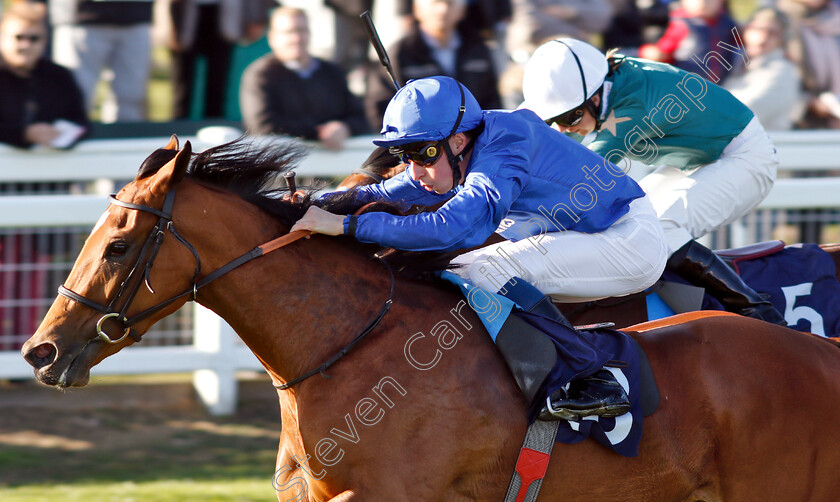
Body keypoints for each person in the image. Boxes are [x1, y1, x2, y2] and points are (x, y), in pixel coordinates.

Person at [291, 75, 668, 420]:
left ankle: (590, 378)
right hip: (592, 232)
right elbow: (388, 190)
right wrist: (320, 201)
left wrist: (347, 225)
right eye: (405, 156)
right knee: (464, 271)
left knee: (487, 269)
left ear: (457, 142)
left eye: (422, 155)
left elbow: (451, 229)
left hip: (627, 240)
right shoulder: (469, 141)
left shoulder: (503, 152)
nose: (414, 169)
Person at [519, 38, 786, 324]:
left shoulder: (632, 106)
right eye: (553, 120)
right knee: (634, 222)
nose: (563, 128)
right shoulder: (603, 84)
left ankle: (758, 313)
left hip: (744, 157)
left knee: (661, 230)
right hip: (698, 158)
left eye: (569, 117)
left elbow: (584, 177)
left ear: (595, 98)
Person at [239, 7, 369, 150]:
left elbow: (361, 117)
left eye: (301, 30)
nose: (296, 38)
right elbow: (262, 126)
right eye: (288, 32)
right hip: (279, 163)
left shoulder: (332, 72)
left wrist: (345, 128)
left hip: (333, 161)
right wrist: (318, 132)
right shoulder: (260, 74)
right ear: (272, 37)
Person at [364, 0, 501, 131]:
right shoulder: (399, 55)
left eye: (450, 3)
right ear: (416, 9)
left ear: (462, 9)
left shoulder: (479, 51)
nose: (443, 10)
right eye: (435, 2)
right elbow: (380, 109)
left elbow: (492, 102)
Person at [153, 0, 272, 119]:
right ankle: (178, 128)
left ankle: (214, 125)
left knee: (217, 85)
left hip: (223, 17)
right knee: (182, 86)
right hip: (183, 15)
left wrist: (257, 16)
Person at [0, 2, 88, 148]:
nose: (26, 45)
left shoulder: (59, 76)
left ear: (45, 41)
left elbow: (81, 123)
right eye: (19, 37)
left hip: (54, 165)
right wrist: (24, 134)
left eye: (34, 38)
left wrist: (61, 134)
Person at [49, 0, 153, 122]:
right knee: (74, 94)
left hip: (136, 16)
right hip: (80, 17)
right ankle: (69, 135)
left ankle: (122, 138)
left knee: (130, 97)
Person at [723, 8, 802, 131]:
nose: (763, 37)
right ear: (746, 30)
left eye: (772, 33)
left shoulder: (782, 71)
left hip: (770, 145)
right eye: (758, 29)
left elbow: (742, 113)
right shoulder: (738, 64)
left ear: (781, 40)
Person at [638, 0, 740, 83]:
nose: (702, 2)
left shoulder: (727, 23)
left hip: (724, 83)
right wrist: (655, 54)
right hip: (689, 85)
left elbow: (740, 44)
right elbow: (664, 52)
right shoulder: (681, 24)